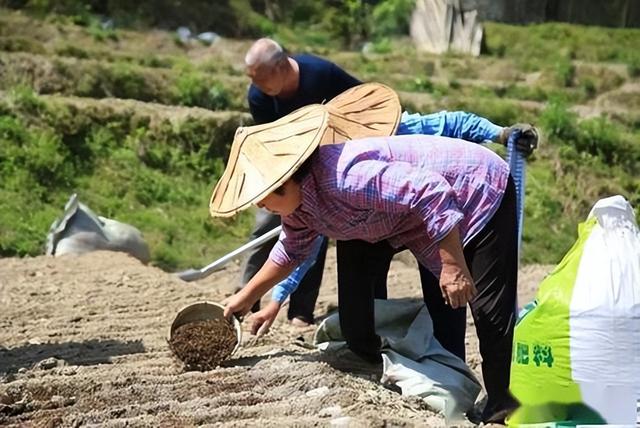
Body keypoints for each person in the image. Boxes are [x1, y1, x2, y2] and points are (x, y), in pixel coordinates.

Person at [212, 84, 522, 423]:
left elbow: (433, 192)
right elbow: (290, 251)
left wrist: (452, 264)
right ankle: (368, 356)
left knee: (487, 306)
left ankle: (501, 403)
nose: (260, 204)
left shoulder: (344, 178)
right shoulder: (299, 207)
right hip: (402, 218)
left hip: (475, 187)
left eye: (265, 196)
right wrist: (245, 298)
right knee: (356, 266)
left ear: (289, 180)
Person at [240, 37, 361, 326]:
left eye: (262, 78)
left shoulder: (321, 74)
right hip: (285, 170)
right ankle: (245, 297)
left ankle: (301, 311)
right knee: (264, 227)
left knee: (315, 233)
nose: (257, 85)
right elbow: (269, 141)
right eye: (252, 79)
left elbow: (362, 101)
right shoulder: (259, 96)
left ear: (281, 66)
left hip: (329, 165)